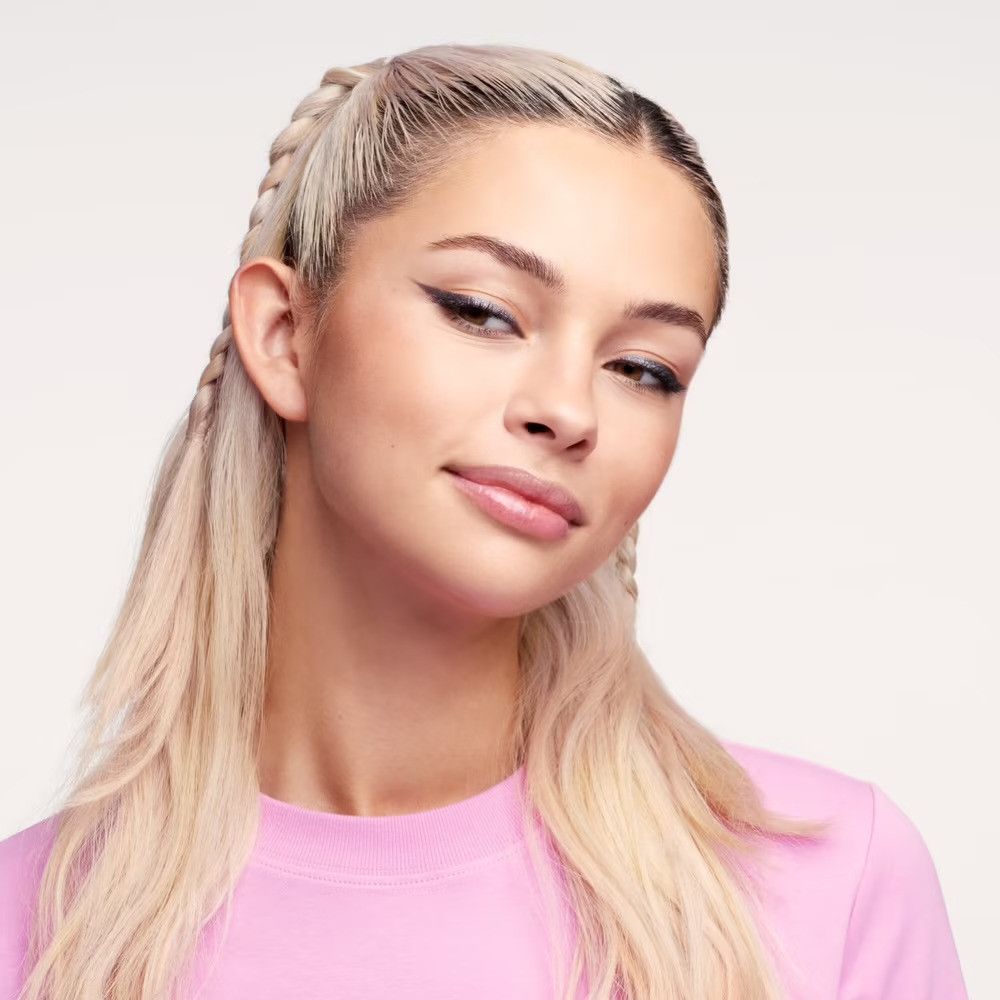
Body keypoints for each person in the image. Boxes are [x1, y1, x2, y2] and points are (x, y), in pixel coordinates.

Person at [0, 43, 968, 1000]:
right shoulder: (30, 929)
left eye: (642, 368)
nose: (570, 410)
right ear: (286, 336)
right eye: (482, 310)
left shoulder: (824, 882)